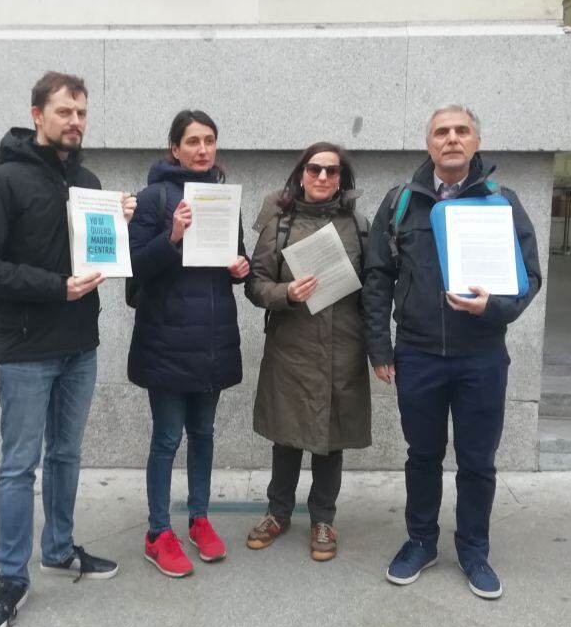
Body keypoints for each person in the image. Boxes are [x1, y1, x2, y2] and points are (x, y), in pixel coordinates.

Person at [0, 71, 135, 627]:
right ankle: (11, 578)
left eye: (81, 113)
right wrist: (54, 286)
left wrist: (117, 225)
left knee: (66, 455)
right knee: (18, 467)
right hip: (27, 348)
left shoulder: (88, 180)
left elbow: (94, 255)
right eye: (64, 112)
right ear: (37, 114)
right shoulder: (3, 182)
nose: (75, 122)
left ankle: (58, 549)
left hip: (80, 345)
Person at [362, 104, 542, 600]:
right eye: (442, 132)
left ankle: (474, 550)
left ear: (476, 142)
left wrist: (495, 307)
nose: (452, 139)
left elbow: (530, 277)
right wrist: (379, 345)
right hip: (418, 354)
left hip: (481, 357)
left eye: (462, 131)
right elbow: (376, 277)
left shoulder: (503, 202)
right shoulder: (400, 202)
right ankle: (421, 541)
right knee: (422, 455)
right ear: (429, 144)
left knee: (477, 460)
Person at [127, 109, 250, 578]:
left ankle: (199, 519)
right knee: (166, 438)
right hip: (165, 340)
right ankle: (158, 532)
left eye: (210, 141)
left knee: (203, 435)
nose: (202, 149)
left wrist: (242, 269)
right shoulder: (152, 197)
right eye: (193, 141)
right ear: (174, 148)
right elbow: (134, 266)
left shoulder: (222, 198)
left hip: (213, 339)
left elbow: (230, 261)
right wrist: (172, 236)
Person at [243, 143, 372, 562]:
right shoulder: (278, 222)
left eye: (331, 172)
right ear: (301, 173)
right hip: (291, 347)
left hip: (342, 347)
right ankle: (277, 512)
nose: (322, 177)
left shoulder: (359, 224)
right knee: (287, 434)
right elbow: (255, 283)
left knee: (331, 439)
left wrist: (379, 348)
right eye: (314, 169)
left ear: (341, 179)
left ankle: (322, 518)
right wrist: (286, 293)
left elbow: (374, 288)